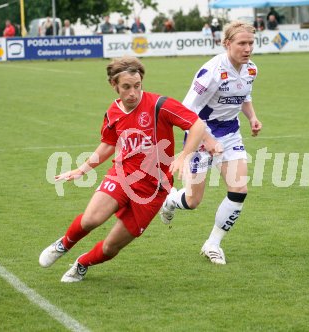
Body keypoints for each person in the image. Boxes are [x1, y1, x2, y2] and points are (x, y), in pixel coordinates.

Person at [39, 56, 206, 282]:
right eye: (126, 87)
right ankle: (63, 244)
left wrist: (185, 156)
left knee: (110, 247)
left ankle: (82, 263)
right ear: (114, 85)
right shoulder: (113, 112)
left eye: (137, 86)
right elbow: (109, 143)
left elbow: (197, 124)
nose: (132, 93)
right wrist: (82, 169)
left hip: (153, 191)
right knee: (91, 220)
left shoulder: (160, 105)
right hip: (122, 175)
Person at [160, 20, 262, 265]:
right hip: (200, 133)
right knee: (194, 201)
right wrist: (207, 139)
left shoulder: (251, 69)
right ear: (227, 44)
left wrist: (252, 117)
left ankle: (212, 244)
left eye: (251, 43)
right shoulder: (212, 72)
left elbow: (244, 96)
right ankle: (171, 200)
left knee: (239, 189)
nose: (247, 48)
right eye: (241, 43)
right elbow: (185, 112)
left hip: (230, 133)